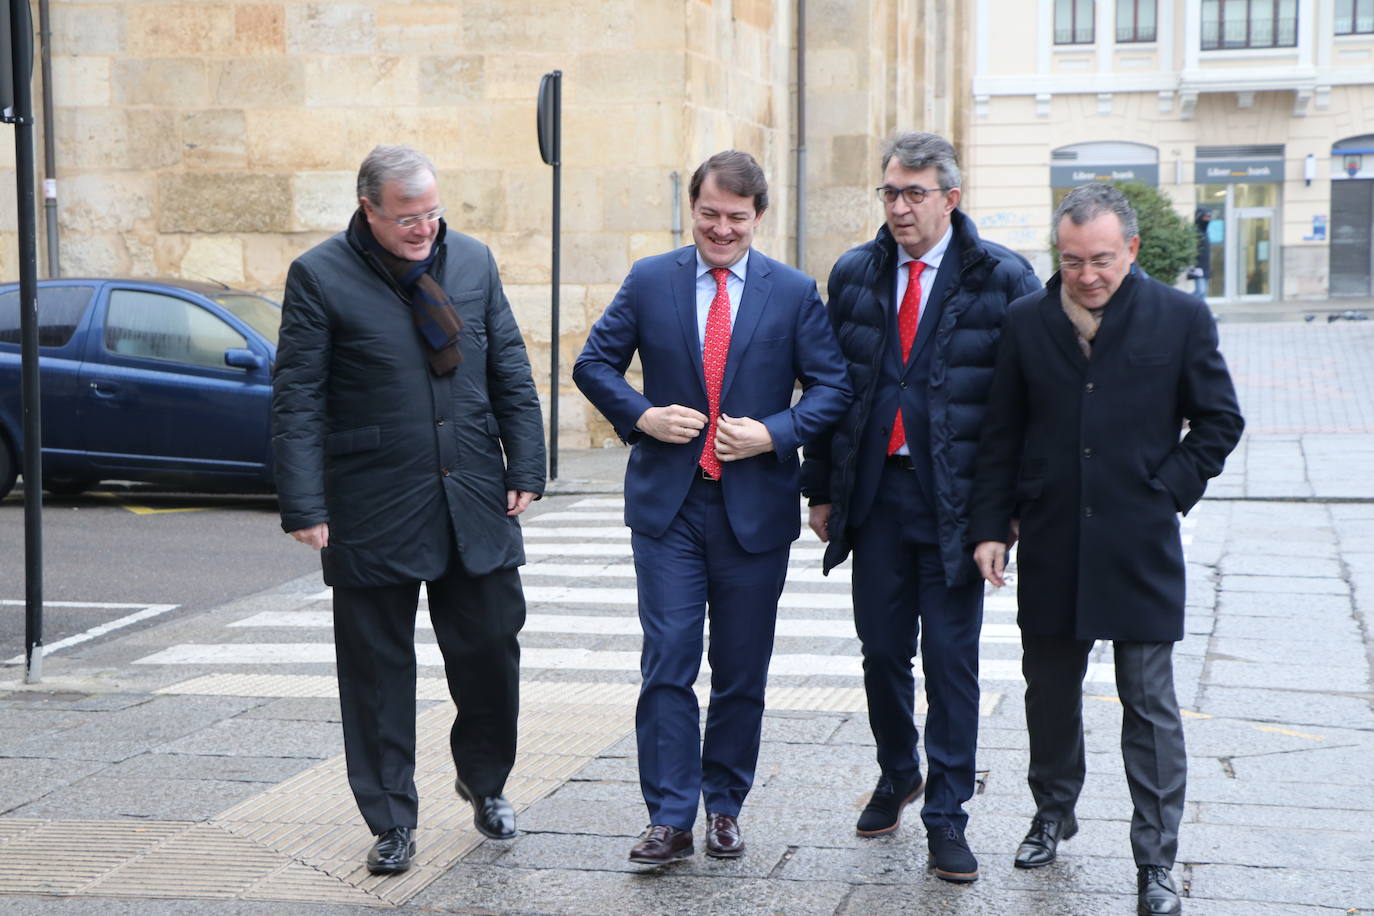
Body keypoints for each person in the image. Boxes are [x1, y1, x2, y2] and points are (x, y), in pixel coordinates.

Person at [969, 183, 1243, 916]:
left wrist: (1167, 491)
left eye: (1100, 260)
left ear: (1132, 250)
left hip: (1139, 544)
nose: (1086, 275)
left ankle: (1156, 859)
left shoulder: (1179, 317)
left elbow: (1220, 421)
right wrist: (992, 527)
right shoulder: (1027, 321)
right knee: (1049, 696)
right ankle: (1052, 813)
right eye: (1070, 260)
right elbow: (1002, 433)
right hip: (1054, 539)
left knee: (1150, 706)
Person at [273, 145, 546, 875]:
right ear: (369, 209)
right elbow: (298, 397)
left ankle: (484, 782)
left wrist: (527, 464)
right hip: (371, 501)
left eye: (431, 213)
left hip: (475, 498)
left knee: (492, 649)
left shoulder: (475, 263)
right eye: (406, 217)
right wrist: (304, 501)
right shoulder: (320, 275)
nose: (424, 228)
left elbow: (509, 367)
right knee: (376, 671)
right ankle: (391, 819)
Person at [574, 150, 851, 866]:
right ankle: (669, 817)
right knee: (667, 661)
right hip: (668, 507)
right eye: (708, 215)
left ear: (758, 216)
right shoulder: (650, 280)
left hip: (753, 510)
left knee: (740, 669)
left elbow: (832, 388)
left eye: (735, 217)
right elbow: (592, 364)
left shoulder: (792, 292)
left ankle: (724, 803)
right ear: (691, 209)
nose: (720, 230)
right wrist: (641, 416)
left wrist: (773, 433)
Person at [800, 131, 1039, 883]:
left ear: (950, 198)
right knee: (879, 651)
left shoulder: (1002, 277)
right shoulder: (856, 273)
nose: (900, 209)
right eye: (890, 193)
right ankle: (899, 769)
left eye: (915, 194)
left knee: (951, 660)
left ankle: (947, 815)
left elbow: (1027, 402)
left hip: (960, 502)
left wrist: (1008, 513)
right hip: (875, 495)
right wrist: (822, 488)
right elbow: (828, 388)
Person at [1191, 208, 1213, 300]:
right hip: (1198, 267)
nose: (1207, 220)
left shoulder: (1205, 233)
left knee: (1203, 293)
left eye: (1209, 218)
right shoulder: (1195, 232)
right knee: (1200, 291)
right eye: (1205, 218)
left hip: (1206, 266)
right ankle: (1184, 304)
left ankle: (1201, 312)